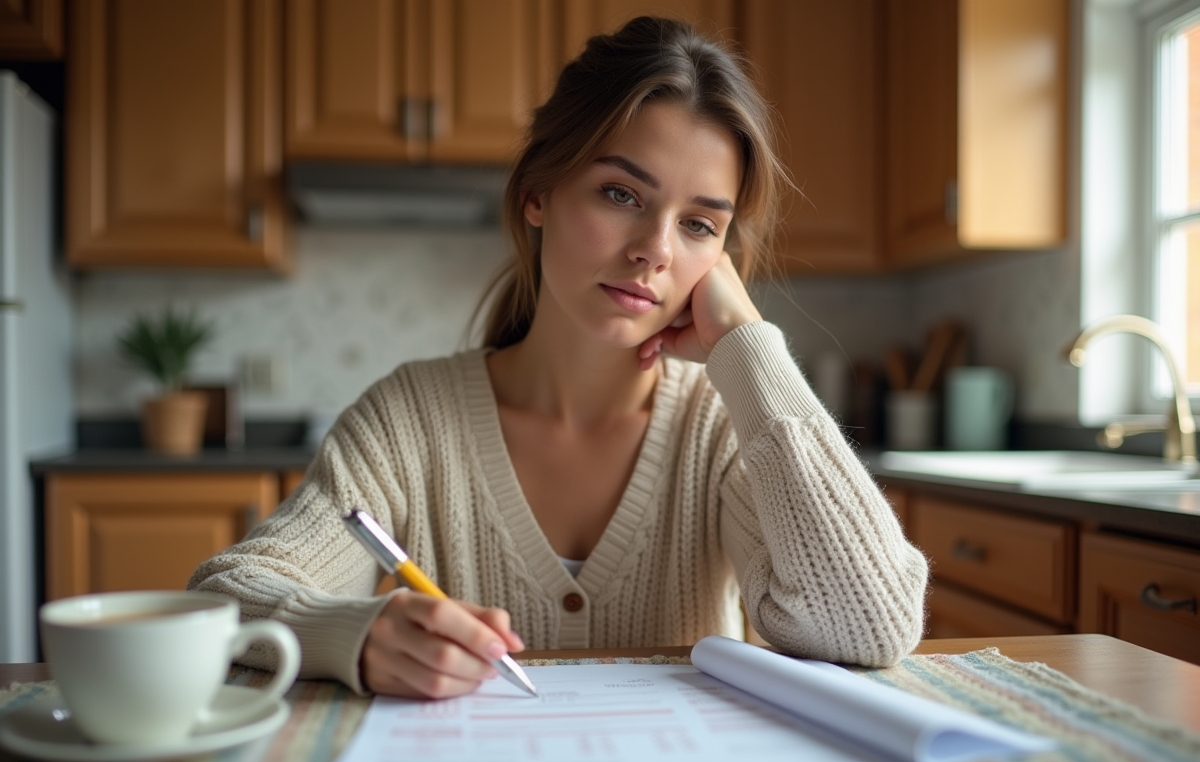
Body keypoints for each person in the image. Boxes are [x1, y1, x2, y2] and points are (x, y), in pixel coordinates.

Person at [188, 16, 929, 700]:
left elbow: (869, 626)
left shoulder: (725, 429)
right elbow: (222, 597)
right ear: (539, 193)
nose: (655, 251)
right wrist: (355, 634)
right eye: (621, 193)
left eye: (700, 225)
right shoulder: (409, 420)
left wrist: (746, 344)